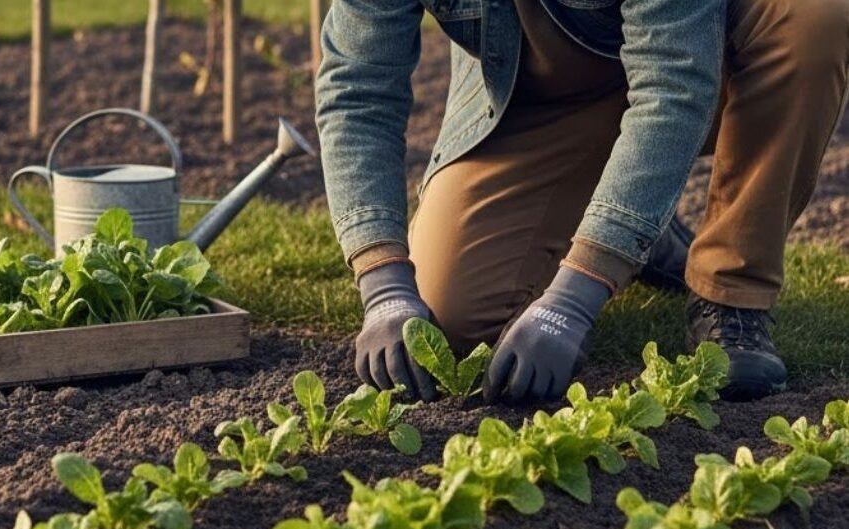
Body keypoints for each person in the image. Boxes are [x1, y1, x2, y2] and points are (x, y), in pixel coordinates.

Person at [316, 0, 849, 403]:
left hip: (703, 58)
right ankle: (637, 227)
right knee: (453, 320)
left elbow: (673, 86)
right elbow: (357, 91)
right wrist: (384, 285)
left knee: (812, 20)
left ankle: (731, 292)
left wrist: (576, 297)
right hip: (539, 100)